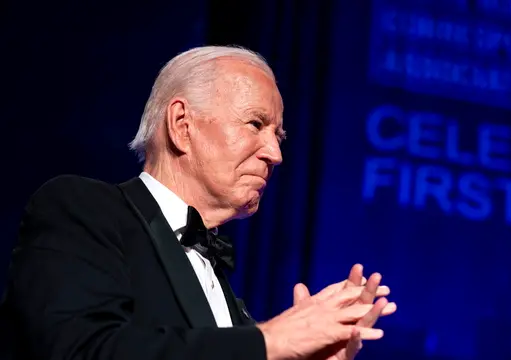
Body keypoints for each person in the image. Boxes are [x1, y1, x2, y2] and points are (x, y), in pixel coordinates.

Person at [0, 46, 396, 360]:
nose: (275, 153)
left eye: (279, 135)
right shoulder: (82, 209)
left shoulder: (228, 297)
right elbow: (78, 350)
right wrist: (270, 341)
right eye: (256, 124)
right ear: (182, 126)